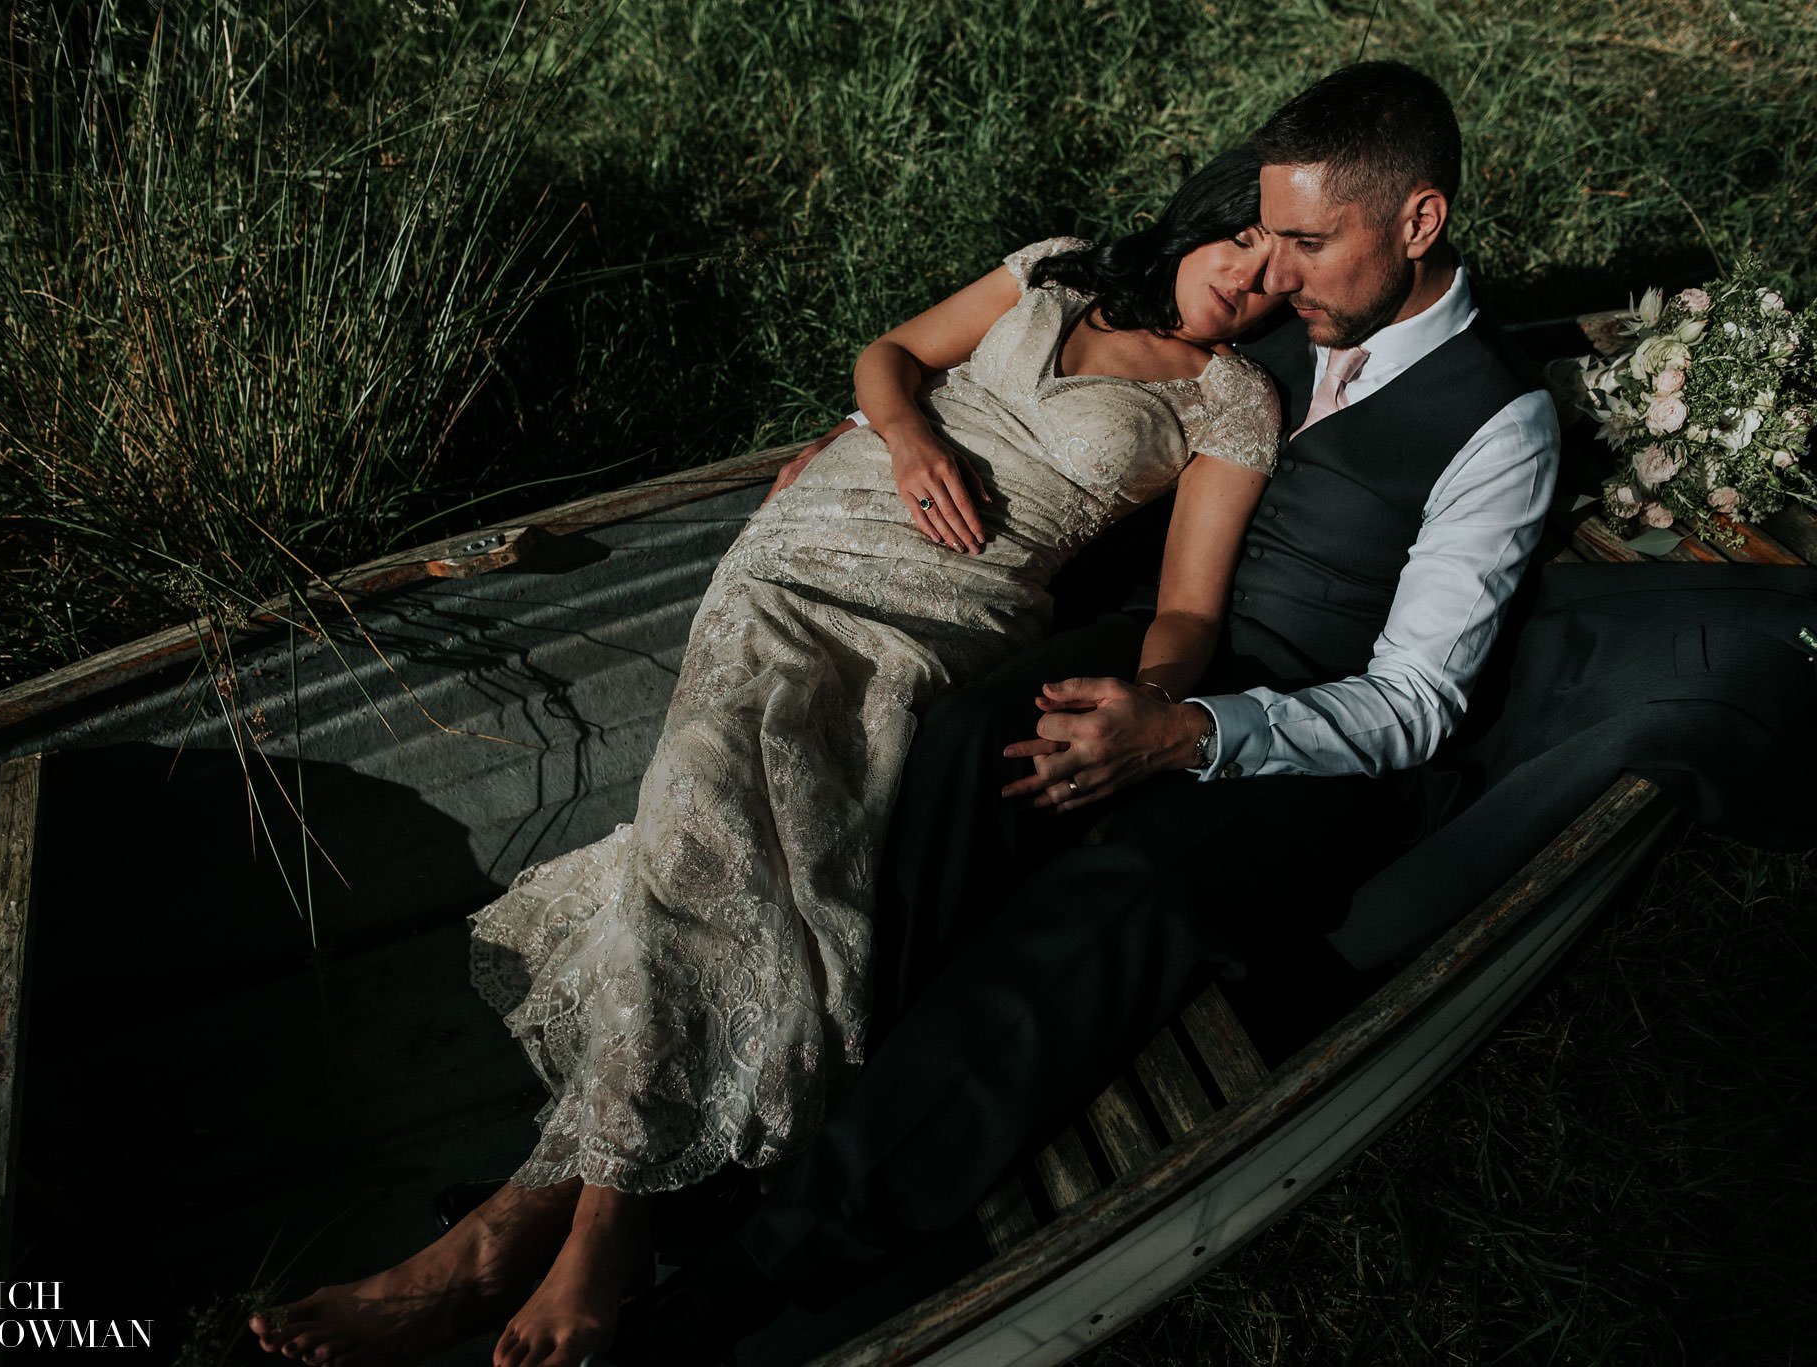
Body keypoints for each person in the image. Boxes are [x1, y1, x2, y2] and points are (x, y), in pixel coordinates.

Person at [249, 148, 1287, 1367]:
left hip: (940, 611)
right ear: (1202, 215)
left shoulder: (1228, 400)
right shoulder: (1057, 268)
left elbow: (1187, 607)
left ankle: (534, 1220)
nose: (1251, 280)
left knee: (716, 830)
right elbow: (889, 355)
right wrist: (902, 436)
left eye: (1284, 270)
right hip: (799, 549)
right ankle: (590, 1230)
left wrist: (1150, 702)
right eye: (1243, 241)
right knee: (718, 806)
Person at [620, 58, 1564, 1357]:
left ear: (1418, 220)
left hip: (1314, 734)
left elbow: (1414, 703)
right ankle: (784, 1112)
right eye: (1267, 237)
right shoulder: (1272, 308)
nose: (1275, 271)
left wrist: (1191, 732)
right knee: (968, 745)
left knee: (1115, 901)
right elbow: (1067, 380)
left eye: (1307, 242)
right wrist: (861, 435)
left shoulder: (1497, 424)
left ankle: (770, 1260)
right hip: (1177, 638)